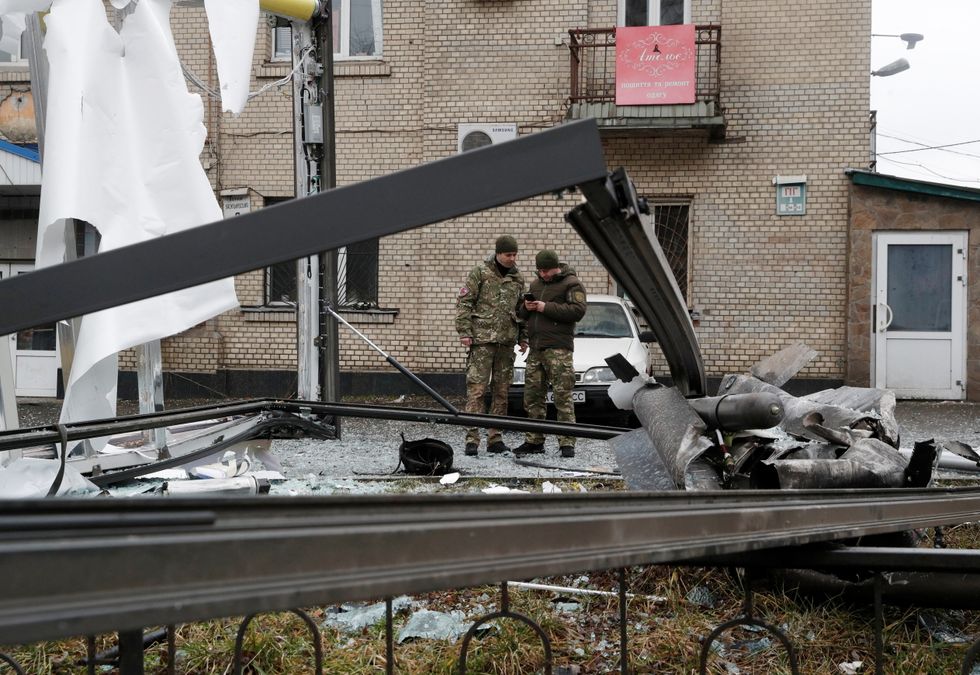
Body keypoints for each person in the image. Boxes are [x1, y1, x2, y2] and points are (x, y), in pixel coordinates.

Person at [455, 235, 528, 456]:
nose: (512, 259)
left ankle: (495, 438)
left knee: (501, 392)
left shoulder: (517, 278)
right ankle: (472, 439)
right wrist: (465, 332)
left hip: (506, 343)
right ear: (498, 253)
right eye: (508, 255)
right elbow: (464, 303)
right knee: (477, 390)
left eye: (515, 255)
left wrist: (523, 337)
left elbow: (522, 310)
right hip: (482, 341)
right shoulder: (480, 272)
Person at [514, 250, 587, 458]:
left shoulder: (572, 284)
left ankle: (567, 443)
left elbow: (578, 311)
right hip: (536, 350)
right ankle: (534, 441)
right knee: (533, 397)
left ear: (556, 267)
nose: (543, 274)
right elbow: (521, 315)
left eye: (546, 270)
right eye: (540, 270)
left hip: (558, 348)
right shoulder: (535, 285)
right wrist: (526, 307)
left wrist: (546, 307)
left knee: (562, 396)